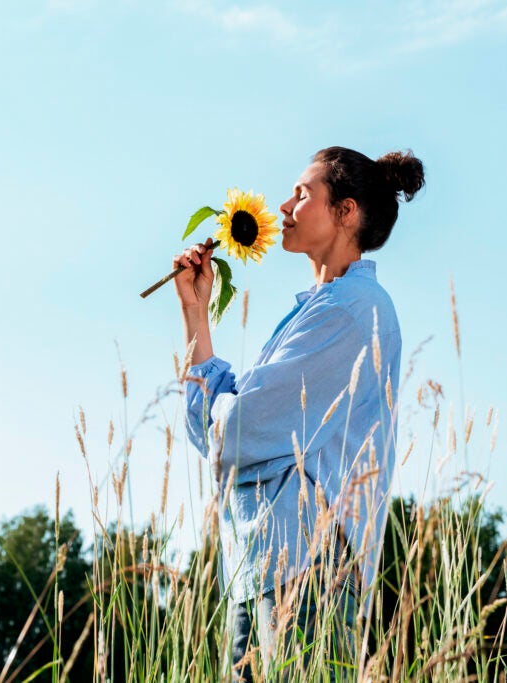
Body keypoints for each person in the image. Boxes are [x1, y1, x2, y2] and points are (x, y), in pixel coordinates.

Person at [175, 147, 425, 681]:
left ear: (346, 212)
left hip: (303, 565)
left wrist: (230, 422)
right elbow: (229, 431)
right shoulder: (319, 309)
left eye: (303, 193)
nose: (284, 205)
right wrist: (195, 314)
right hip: (262, 562)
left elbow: (234, 432)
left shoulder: (350, 311)